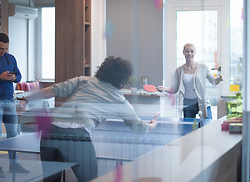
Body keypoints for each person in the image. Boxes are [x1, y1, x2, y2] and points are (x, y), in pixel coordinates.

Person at [18, 56, 158, 182]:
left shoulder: (84, 80)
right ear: (123, 79)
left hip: (50, 132)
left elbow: (55, 89)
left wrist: (25, 99)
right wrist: (152, 125)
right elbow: (139, 127)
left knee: (51, 180)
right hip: (76, 136)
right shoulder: (118, 99)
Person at [158, 43, 222, 119]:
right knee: (188, 129)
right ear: (183, 52)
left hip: (202, 102)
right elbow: (175, 89)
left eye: (192, 51)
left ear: (195, 52)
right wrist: (164, 89)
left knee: (207, 125)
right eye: (187, 51)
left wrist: (219, 79)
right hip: (188, 104)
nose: (189, 53)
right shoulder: (179, 70)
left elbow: (213, 82)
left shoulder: (203, 67)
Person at [0, 32, 29, 178]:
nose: (3, 51)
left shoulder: (11, 59)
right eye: (0, 48)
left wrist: (13, 78)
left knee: (13, 134)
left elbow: (19, 76)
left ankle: (14, 165)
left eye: (5, 48)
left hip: (9, 101)